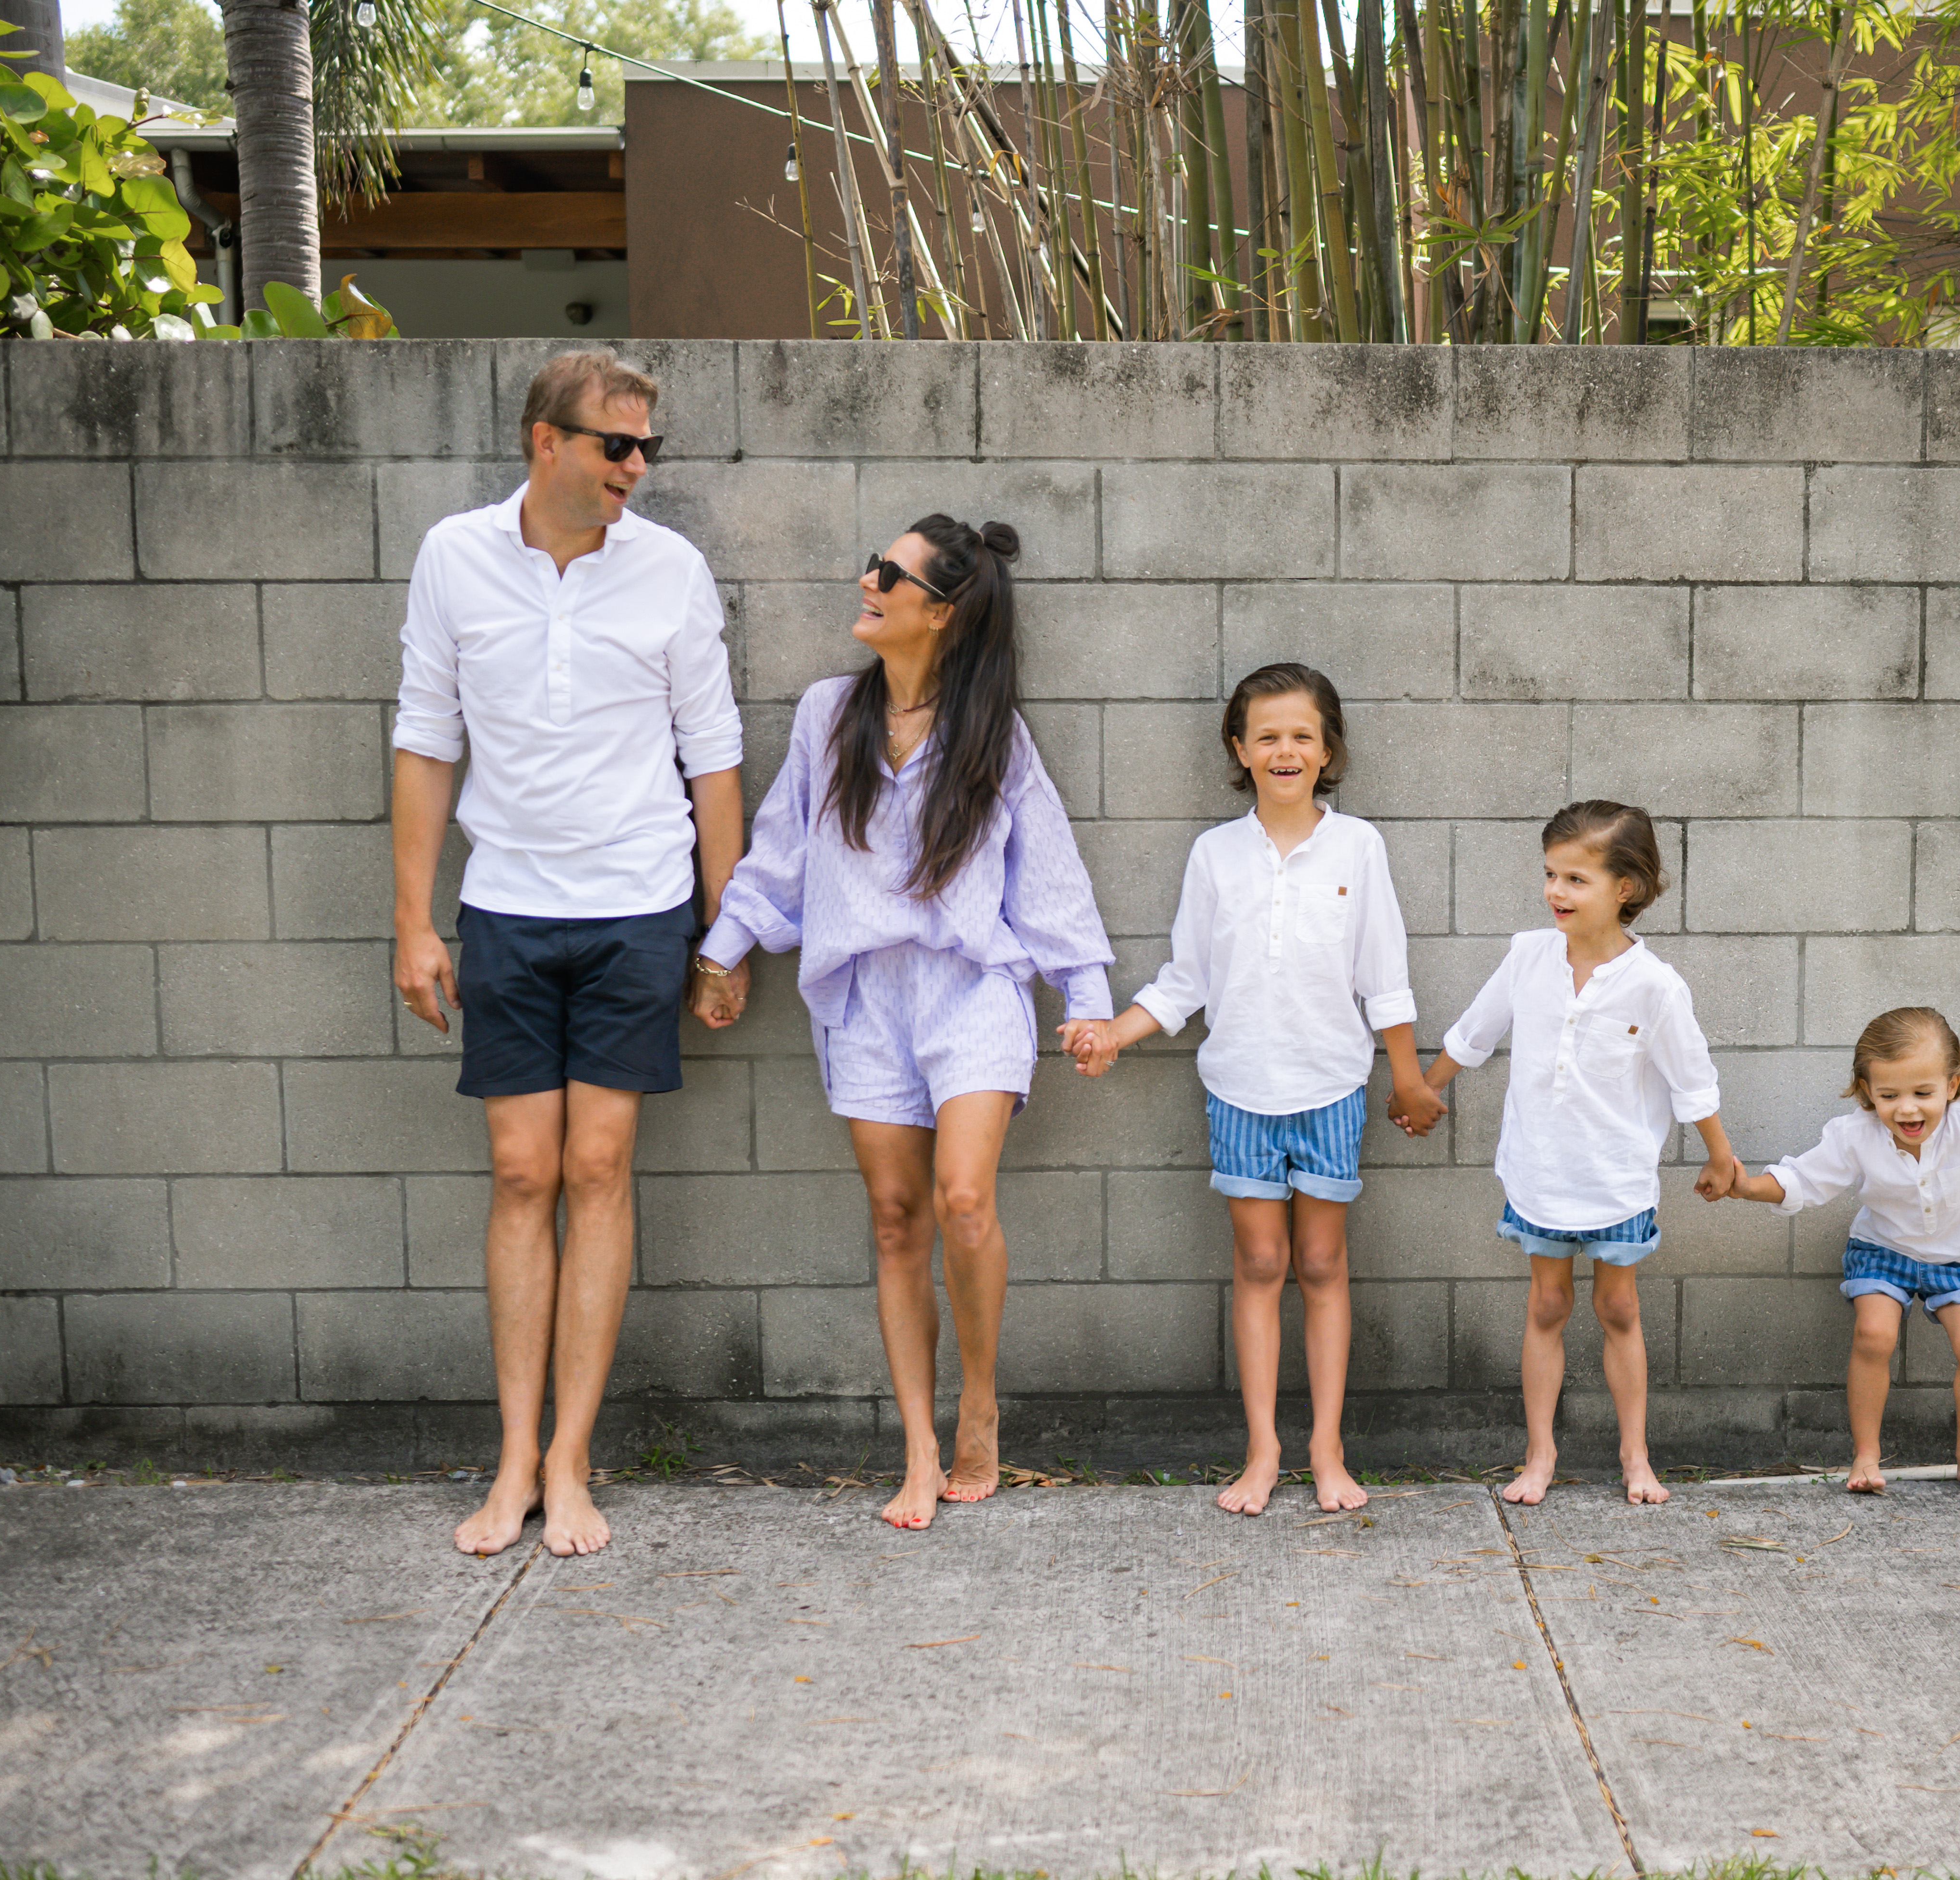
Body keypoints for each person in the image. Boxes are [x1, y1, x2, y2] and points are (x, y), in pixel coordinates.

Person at [390, 348, 747, 1560]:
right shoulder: (455, 556)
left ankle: (571, 1457)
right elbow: (426, 740)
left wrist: (724, 931)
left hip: (638, 906)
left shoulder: (670, 571)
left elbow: (713, 755)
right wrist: (412, 920)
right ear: (547, 442)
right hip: (504, 907)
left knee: (598, 1168)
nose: (637, 466)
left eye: (648, 446)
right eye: (617, 444)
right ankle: (509, 1460)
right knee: (521, 1171)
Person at [691, 515, 1111, 1531]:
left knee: (963, 1200)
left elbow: (1046, 873)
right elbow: (784, 848)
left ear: (944, 611)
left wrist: (1088, 997)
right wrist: (724, 947)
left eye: (889, 573)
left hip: (973, 994)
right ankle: (918, 1447)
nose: (865, 581)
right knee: (895, 1220)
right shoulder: (828, 714)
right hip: (864, 999)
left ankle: (978, 1400)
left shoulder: (994, 735)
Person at [1063, 664, 1444, 1516]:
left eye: (1301, 735)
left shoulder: (1358, 848)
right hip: (1237, 1087)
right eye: (1266, 735)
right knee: (1262, 1262)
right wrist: (1113, 1033)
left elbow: (1384, 976)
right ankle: (1264, 1450)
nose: (1284, 750)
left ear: (1327, 749)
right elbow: (1183, 978)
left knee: (1320, 1261)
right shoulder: (1214, 854)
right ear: (1239, 749)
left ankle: (1327, 1449)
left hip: (1331, 1087)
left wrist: (1410, 1076)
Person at [1412, 802, 1739, 1506]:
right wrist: (1424, 1089)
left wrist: (1720, 1157)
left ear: (1626, 887)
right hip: (1538, 1173)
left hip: (1615, 1181)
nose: (1555, 892)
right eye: (1550, 875)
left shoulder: (1654, 986)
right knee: (1547, 1304)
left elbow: (1692, 1079)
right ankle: (1539, 1456)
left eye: (1576, 879)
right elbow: (1476, 1031)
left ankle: (1635, 1456)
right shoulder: (1528, 955)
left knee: (1618, 1310)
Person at [1721, 1005, 1960, 1499]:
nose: (1907, 1109)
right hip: (1884, 1250)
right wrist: (1747, 1187)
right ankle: (1866, 1453)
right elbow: (1803, 1179)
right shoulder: (1855, 1134)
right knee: (1874, 1333)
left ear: (1952, 1084)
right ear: (1867, 1090)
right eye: (1889, 1095)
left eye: (1923, 1093)